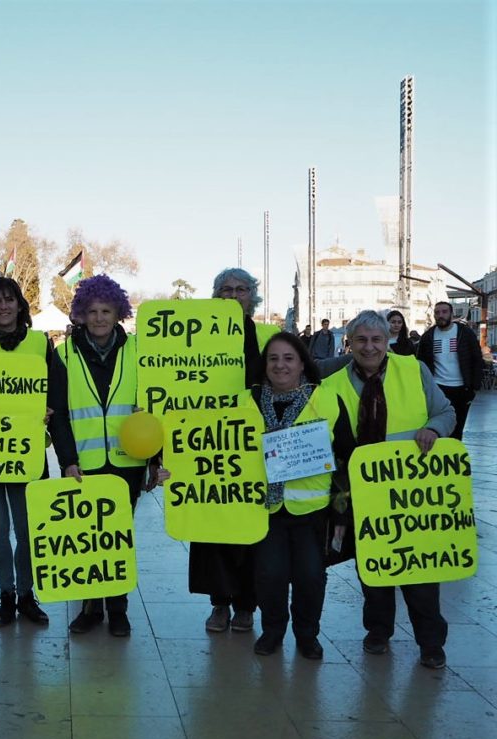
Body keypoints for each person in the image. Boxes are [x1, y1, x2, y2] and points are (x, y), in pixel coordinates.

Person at [322, 309, 455, 669]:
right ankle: (377, 631)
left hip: (413, 493)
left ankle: (431, 642)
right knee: (374, 566)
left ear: (388, 341)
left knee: (420, 571)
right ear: (350, 343)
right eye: (361, 340)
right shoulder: (332, 385)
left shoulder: (413, 370)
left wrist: (434, 430)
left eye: (376, 340)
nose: (369, 347)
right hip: (364, 492)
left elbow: (446, 412)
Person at [49, 274, 155, 637]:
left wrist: (154, 462)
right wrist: (67, 460)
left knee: (119, 538)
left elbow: (154, 408)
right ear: (80, 313)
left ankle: (119, 608)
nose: (98, 318)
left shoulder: (140, 350)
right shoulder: (63, 355)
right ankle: (90, 609)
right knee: (87, 538)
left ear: (118, 312)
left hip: (128, 463)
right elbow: (59, 414)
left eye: (106, 310)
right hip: (84, 463)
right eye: (91, 311)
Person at [250, 333, 354, 659]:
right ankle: (272, 631)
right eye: (273, 359)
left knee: (311, 577)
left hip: (313, 510)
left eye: (288, 358)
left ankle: (307, 635)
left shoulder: (327, 400)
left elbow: (345, 457)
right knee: (269, 575)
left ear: (302, 363)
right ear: (264, 364)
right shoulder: (245, 402)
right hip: (263, 509)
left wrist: (341, 510)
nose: (280, 365)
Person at [0, 277, 53, 626]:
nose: (3, 307)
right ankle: (6, 594)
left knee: (28, 529)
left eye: (9, 300)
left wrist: (48, 409)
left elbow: (55, 389)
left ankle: (26, 595)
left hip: (26, 453)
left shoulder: (39, 343)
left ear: (20, 305)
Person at [189, 268, 264, 634]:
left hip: (247, 441)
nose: (234, 296)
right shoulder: (196, 334)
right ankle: (219, 603)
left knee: (245, 525)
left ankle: (246, 605)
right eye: (226, 290)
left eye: (241, 290)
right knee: (210, 524)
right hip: (203, 440)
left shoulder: (265, 334)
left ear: (252, 296)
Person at [416, 302, 484, 440]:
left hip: (461, 389)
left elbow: (477, 359)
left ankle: (454, 458)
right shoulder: (428, 336)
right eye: (437, 312)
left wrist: (474, 387)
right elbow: (420, 362)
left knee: (457, 429)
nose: (440, 315)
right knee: (438, 428)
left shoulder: (465, 333)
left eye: (444, 312)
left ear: (452, 314)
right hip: (437, 387)